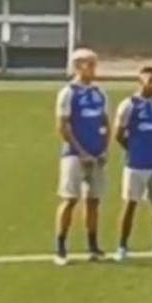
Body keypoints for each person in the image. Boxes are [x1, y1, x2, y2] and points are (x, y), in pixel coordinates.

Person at [54, 47, 110, 265]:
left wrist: (104, 149)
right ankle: (60, 247)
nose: (94, 68)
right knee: (69, 200)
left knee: (94, 201)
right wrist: (81, 151)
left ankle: (93, 246)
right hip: (74, 156)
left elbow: (105, 122)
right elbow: (62, 126)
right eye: (90, 64)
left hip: (96, 155)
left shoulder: (99, 92)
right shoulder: (68, 93)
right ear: (78, 66)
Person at [113, 66, 152, 260]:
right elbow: (118, 135)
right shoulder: (128, 105)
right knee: (130, 205)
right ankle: (122, 246)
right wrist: (133, 149)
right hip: (135, 164)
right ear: (140, 82)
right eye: (149, 80)